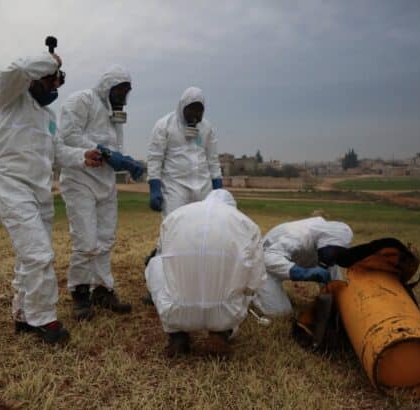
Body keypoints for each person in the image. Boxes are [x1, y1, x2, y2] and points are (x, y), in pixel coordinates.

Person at [0, 50, 103, 344]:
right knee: (38, 253)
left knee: (30, 256)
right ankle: (44, 319)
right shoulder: (4, 98)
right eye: (50, 81)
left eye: (58, 83)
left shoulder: (48, 117)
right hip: (10, 184)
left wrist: (81, 155)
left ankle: (23, 314)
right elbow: (16, 68)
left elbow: (57, 151)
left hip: (40, 191)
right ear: (35, 76)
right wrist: (51, 61)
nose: (54, 88)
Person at [58, 66, 144, 321]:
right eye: (120, 90)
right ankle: (80, 292)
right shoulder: (81, 100)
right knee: (86, 240)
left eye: (127, 91)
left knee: (105, 239)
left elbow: (114, 148)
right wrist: (107, 153)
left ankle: (103, 290)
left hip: (105, 183)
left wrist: (125, 160)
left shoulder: (115, 115)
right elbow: (69, 136)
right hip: (80, 180)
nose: (123, 96)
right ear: (107, 87)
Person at [145, 189, 266, 356]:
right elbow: (256, 280)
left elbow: (164, 254)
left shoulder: (175, 216)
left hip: (177, 311)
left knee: (156, 263)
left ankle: (176, 334)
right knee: (246, 277)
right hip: (226, 313)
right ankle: (222, 333)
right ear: (232, 206)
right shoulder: (247, 223)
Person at [146, 86, 222, 218]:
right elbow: (155, 158)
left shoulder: (206, 128)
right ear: (182, 107)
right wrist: (154, 187)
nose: (195, 115)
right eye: (192, 109)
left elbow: (213, 160)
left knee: (202, 229)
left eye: (199, 111)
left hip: (204, 188)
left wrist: (218, 188)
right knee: (174, 228)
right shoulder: (165, 125)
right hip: (175, 188)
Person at [253, 217, 353, 316]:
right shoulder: (296, 236)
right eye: (333, 252)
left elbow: (333, 271)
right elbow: (268, 258)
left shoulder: (327, 241)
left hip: (294, 259)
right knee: (280, 312)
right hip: (265, 267)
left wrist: (338, 296)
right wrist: (300, 272)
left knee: (338, 298)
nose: (334, 257)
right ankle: (250, 293)